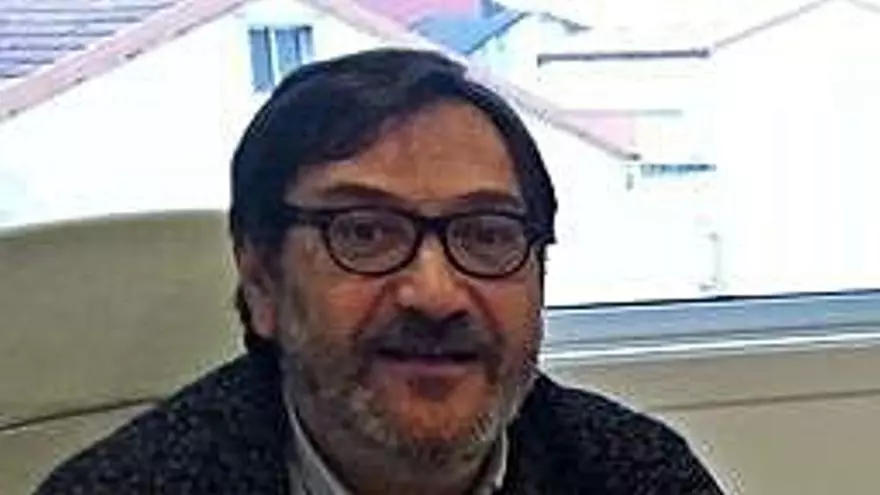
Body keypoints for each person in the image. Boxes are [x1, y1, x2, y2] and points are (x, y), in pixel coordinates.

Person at [35, 48, 723, 494]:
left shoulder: (635, 477)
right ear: (262, 280)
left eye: (486, 234)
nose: (435, 293)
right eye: (364, 232)